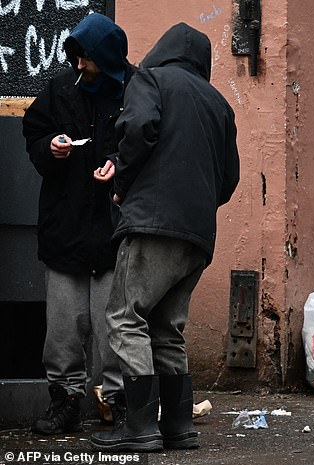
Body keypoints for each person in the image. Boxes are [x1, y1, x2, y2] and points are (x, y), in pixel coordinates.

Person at [89, 23, 240, 452]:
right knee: (167, 329)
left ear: (162, 49)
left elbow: (138, 128)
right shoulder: (219, 104)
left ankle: (137, 427)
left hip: (153, 222)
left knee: (125, 315)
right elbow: (229, 180)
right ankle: (177, 427)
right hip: (197, 235)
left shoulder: (150, 80)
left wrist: (122, 176)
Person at [22, 13, 135, 435]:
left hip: (113, 229)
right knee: (63, 329)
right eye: (76, 56)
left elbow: (147, 143)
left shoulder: (134, 91)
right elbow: (33, 133)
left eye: (86, 58)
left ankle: (118, 401)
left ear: (105, 58)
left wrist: (119, 167)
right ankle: (65, 400)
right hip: (65, 227)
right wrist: (50, 148)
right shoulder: (58, 90)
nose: (79, 65)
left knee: (114, 328)